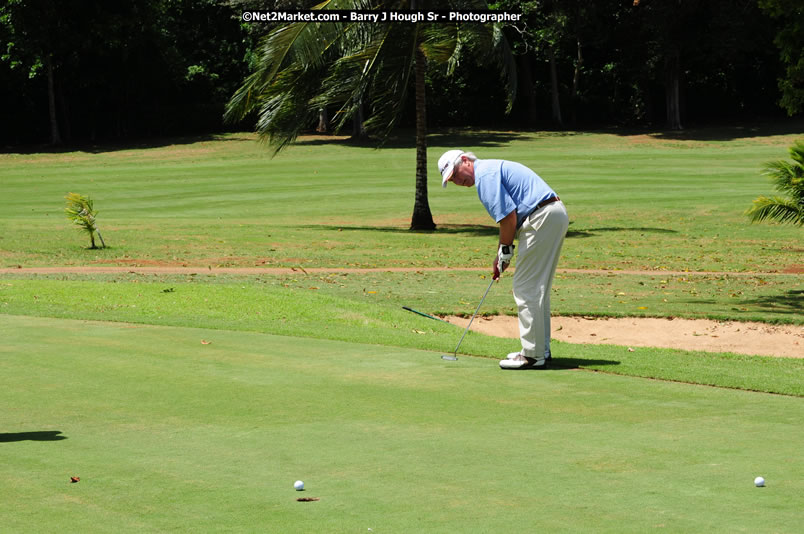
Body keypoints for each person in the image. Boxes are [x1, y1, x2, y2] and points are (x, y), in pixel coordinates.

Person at [438, 150, 569, 369]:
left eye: (456, 174)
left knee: (525, 288)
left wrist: (504, 251)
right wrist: (504, 253)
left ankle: (533, 355)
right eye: (452, 180)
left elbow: (508, 218)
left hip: (541, 217)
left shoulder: (485, 176)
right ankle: (540, 350)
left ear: (465, 160)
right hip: (552, 214)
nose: (458, 181)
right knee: (537, 289)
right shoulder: (490, 169)